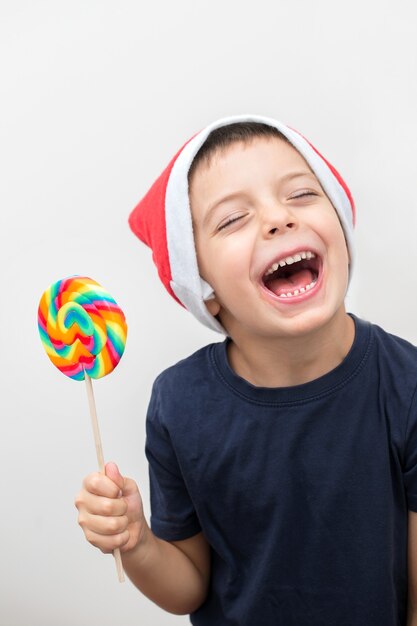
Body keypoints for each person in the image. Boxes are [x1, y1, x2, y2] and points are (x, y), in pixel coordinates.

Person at [75, 115, 417, 625]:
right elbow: (188, 587)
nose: (278, 218)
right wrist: (138, 541)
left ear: (341, 230)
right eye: (232, 219)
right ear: (203, 288)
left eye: (301, 194)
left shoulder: (406, 383)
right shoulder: (178, 404)